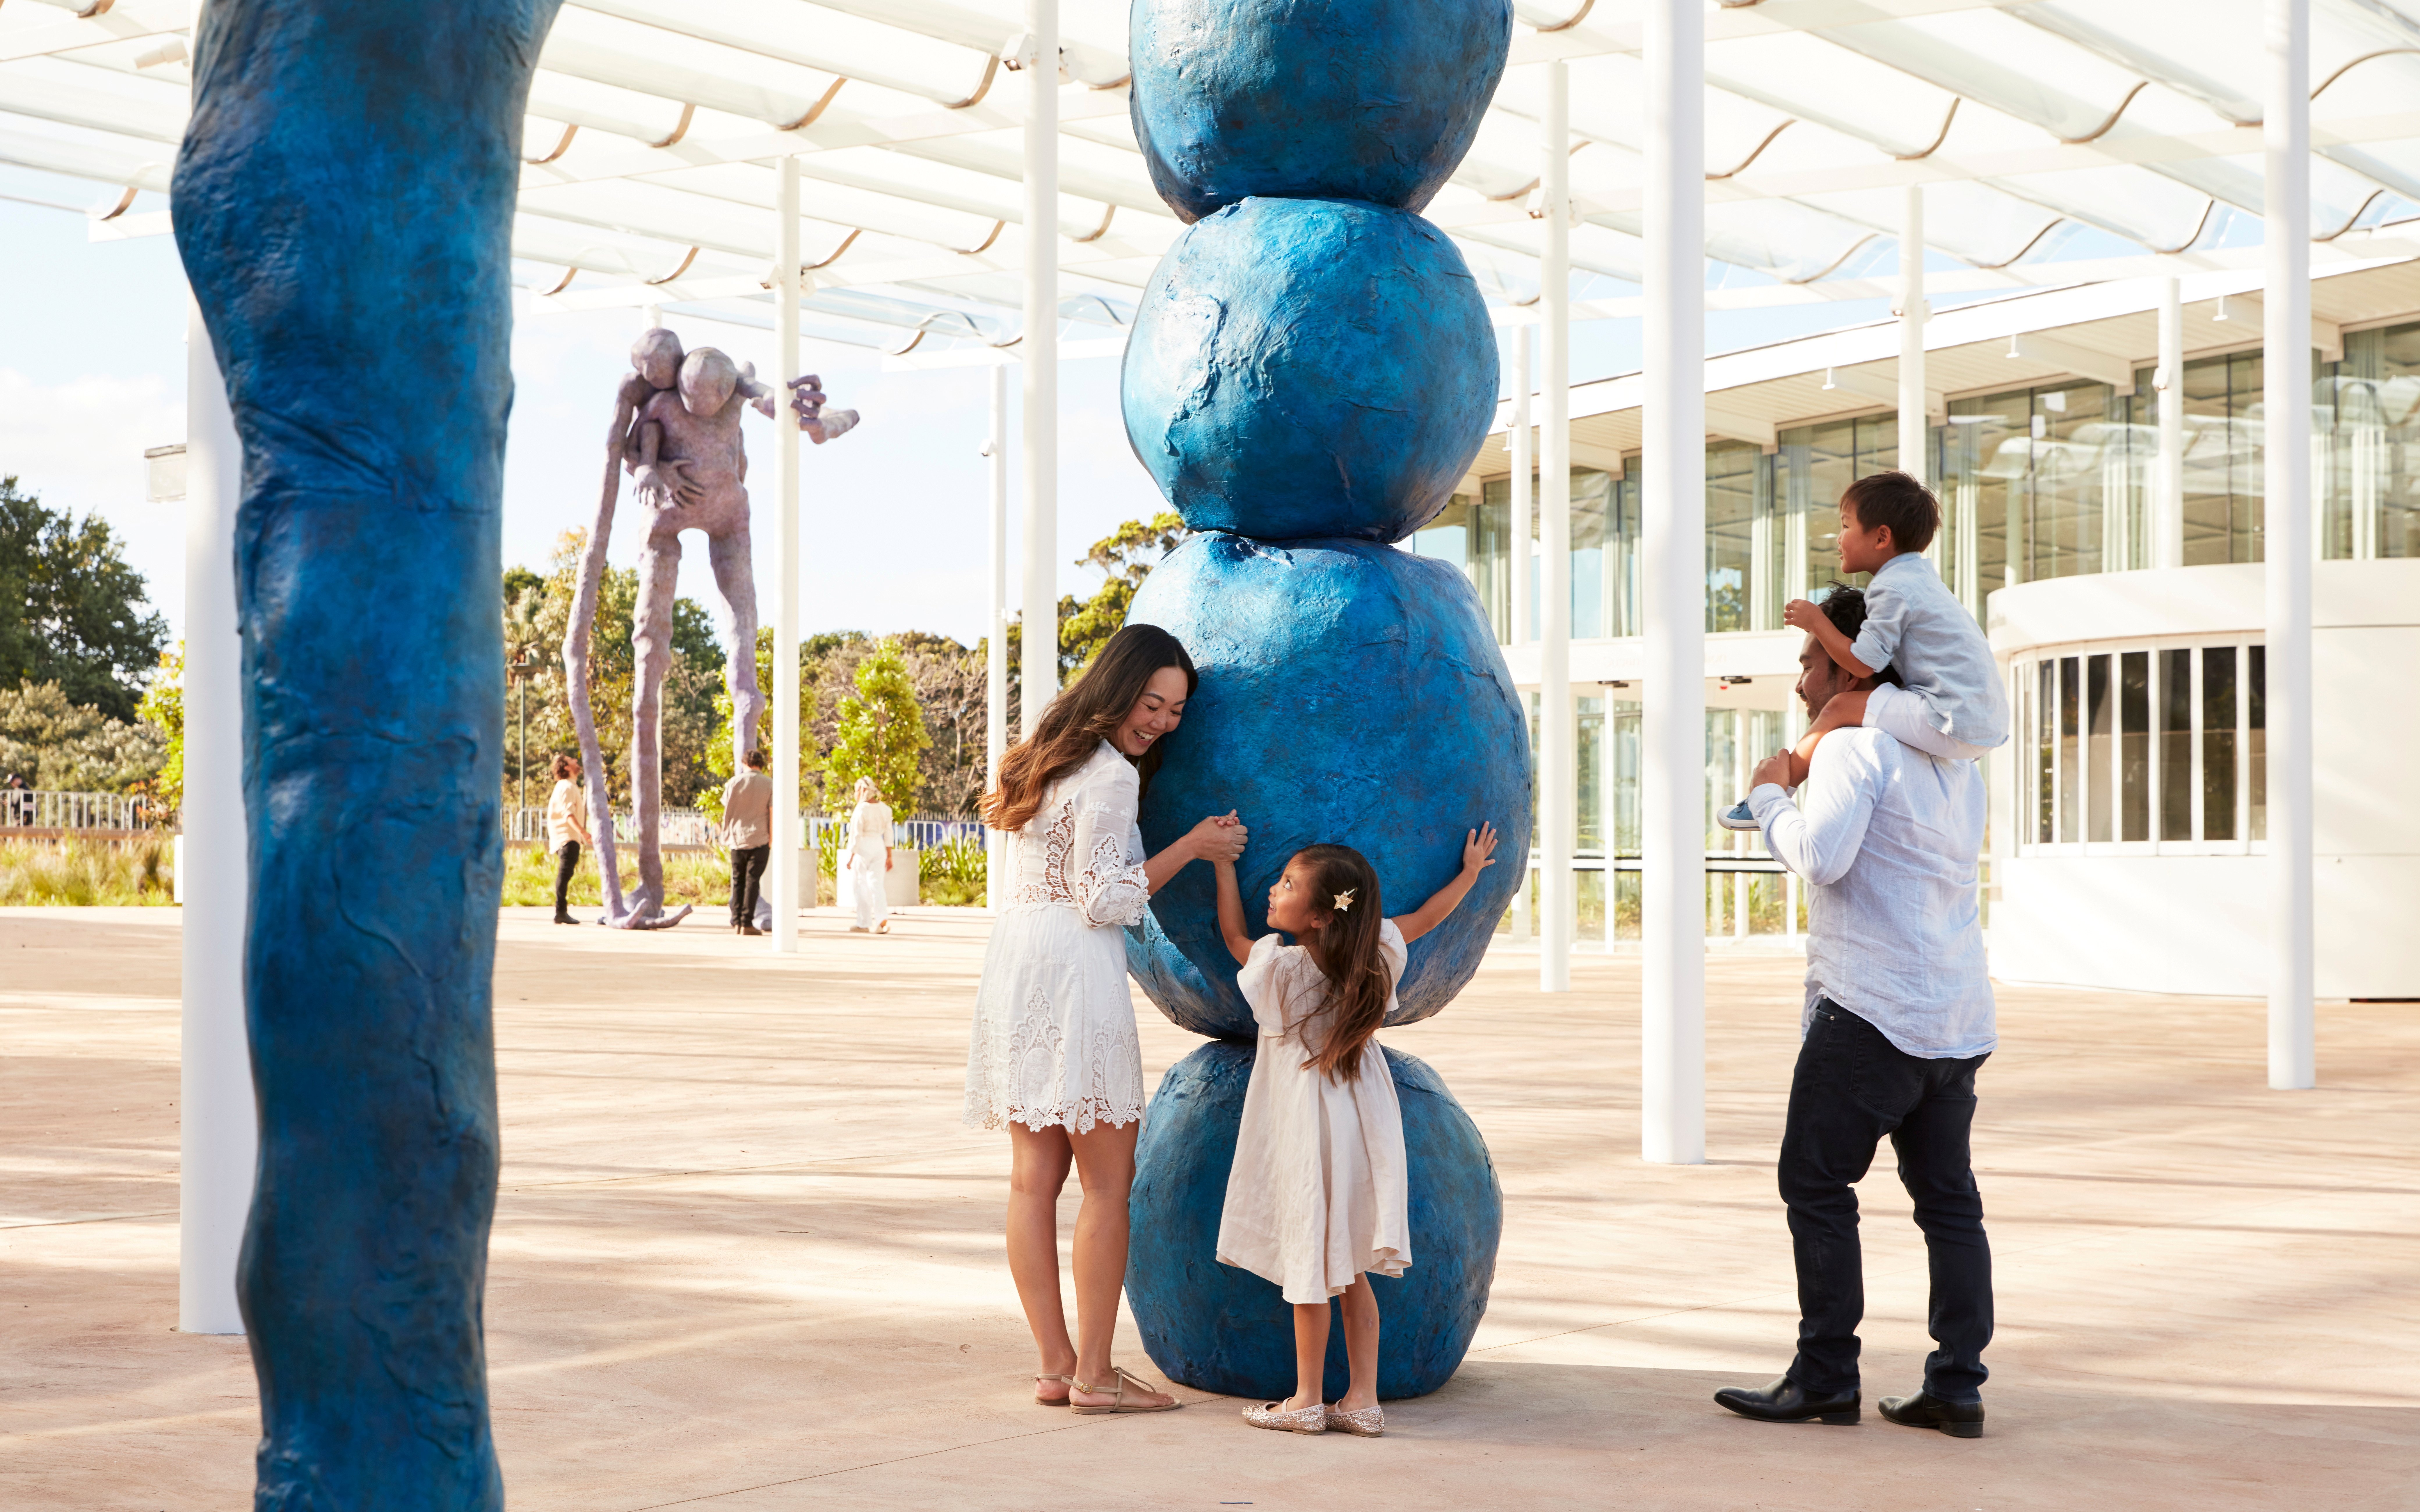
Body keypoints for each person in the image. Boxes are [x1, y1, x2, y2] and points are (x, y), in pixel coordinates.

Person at [1713, 583, 1997, 1438]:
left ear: (1847, 662)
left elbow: (1820, 857)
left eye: (1810, 658)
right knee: (1947, 1199)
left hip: (1870, 1010)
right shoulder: (1956, 765)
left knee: (1814, 1180)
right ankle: (1956, 1385)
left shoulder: (1851, 749)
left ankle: (1827, 1375)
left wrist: (1769, 794)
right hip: (1954, 1014)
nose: (1802, 676)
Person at [962, 622, 1248, 1415]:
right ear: (1117, 688)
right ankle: (1094, 1372)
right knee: (1106, 1182)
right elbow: (1105, 897)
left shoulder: (1043, 757)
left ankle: (1057, 1365)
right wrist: (1192, 844)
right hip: (1073, 970)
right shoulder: (1111, 776)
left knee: (1031, 1179)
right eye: (1152, 701)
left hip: (1017, 963)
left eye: (1175, 709)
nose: (1160, 719)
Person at [1210, 825, 1498, 1438]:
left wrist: (1221, 868)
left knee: (1309, 1259)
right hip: (1362, 1122)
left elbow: (1235, 937)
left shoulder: (1279, 970)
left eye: (1286, 884)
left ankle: (1306, 1398)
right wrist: (1471, 872)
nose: (1273, 887)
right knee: (1350, 1266)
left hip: (1303, 1124)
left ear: (1315, 917)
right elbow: (1425, 917)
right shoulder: (1379, 954)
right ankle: (1362, 1398)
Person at [1720, 471, 2006, 830]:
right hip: (1981, 724)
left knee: (1840, 706)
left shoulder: (1892, 587)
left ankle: (1775, 789)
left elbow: (1863, 663)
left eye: (1845, 526)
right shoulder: (1922, 580)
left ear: (1882, 537)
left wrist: (1817, 622)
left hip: (1953, 718)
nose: (1838, 539)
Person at [722, 748, 774, 937]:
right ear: (762, 764)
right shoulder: (769, 784)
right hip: (759, 838)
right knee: (753, 880)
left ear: (745, 763)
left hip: (736, 839)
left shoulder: (733, 783)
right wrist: (771, 839)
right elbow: (772, 812)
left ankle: (736, 921)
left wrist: (726, 833)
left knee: (738, 880)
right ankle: (747, 923)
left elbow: (726, 809)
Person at [840, 777, 895, 934]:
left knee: (861, 886)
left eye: (856, 790)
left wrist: (851, 857)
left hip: (863, 849)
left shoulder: (861, 809)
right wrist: (890, 856)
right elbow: (889, 834)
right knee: (877, 885)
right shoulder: (886, 809)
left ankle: (864, 923)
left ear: (863, 791)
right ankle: (881, 920)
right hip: (879, 847)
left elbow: (856, 836)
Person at [544, 754, 591, 925]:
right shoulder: (566, 787)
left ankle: (561, 911)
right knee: (564, 875)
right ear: (566, 768)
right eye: (573, 761)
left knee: (567, 874)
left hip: (570, 837)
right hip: (567, 837)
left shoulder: (569, 786)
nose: (577, 762)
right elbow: (568, 813)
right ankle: (561, 912)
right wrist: (583, 833)